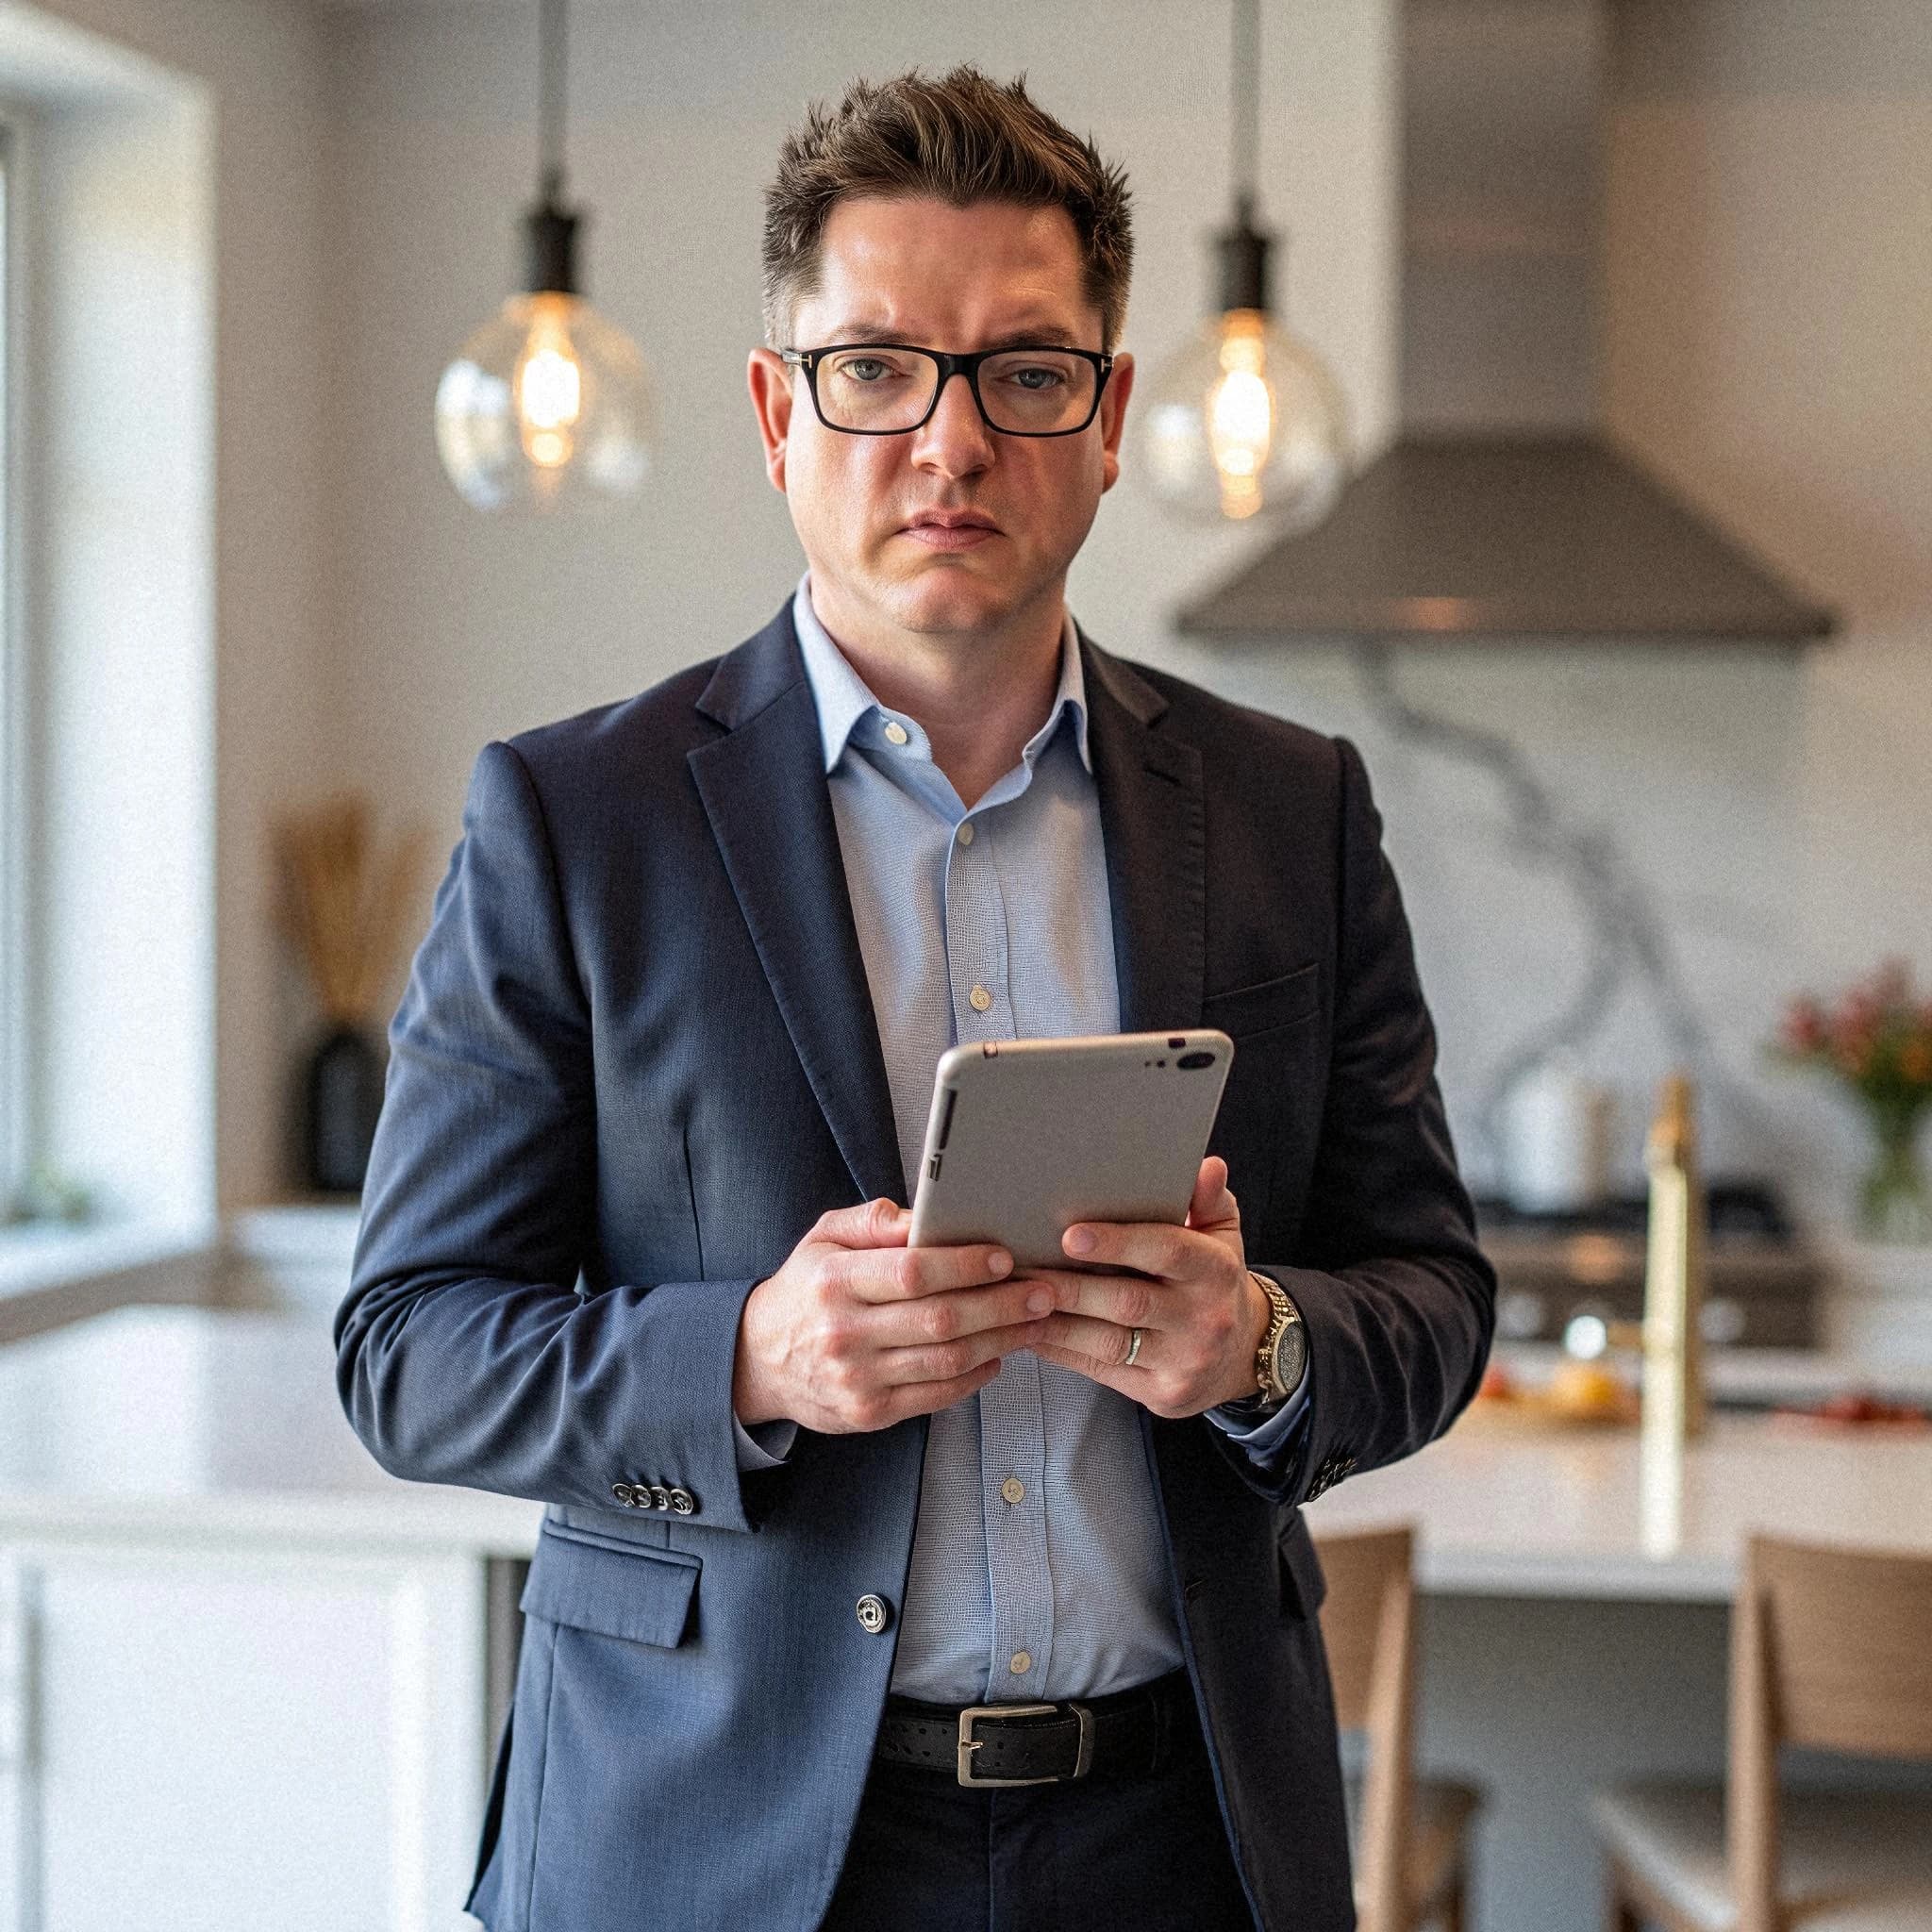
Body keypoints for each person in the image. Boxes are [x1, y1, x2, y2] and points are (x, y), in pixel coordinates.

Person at [336, 65, 1494, 1932]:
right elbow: (404, 1344)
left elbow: (1434, 1295)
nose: (950, 444)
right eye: (876, 367)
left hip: (1178, 1839)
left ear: (1109, 419)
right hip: (707, 1834)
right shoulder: (572, 817)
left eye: (1025, 372)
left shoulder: (1291, 807)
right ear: (774, 411)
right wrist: (751, 1361)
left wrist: (1258, 1342)